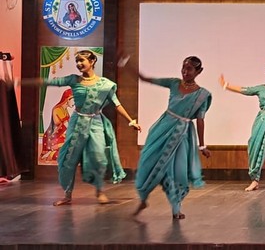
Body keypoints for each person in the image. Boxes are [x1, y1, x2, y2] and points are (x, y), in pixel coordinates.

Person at [29, 50, 141, 206]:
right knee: (69, 159)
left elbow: (116, 104)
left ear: (92, 61)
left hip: (96, 122)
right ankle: (67, 194)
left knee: (99, 157)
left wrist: (131, 121)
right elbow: (50, 82)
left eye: (82, 60)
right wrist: (23, 82)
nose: (79, 64)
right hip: (77, 123)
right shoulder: (74, 80)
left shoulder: (105, 85)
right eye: (77, 61)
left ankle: (100, 191)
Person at [131, 56, 212, 219]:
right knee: (148, 163)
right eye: (183, 67)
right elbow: (145, 78)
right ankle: (143, 198)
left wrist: (202, 146)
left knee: (177, 171)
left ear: (199, 71)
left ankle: (176, 208)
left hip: (182, 135)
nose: (185, 72)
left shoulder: (202, 95)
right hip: (162, 129)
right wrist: (126, 63)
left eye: (189, 69)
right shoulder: (174, 83)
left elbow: (200, 120)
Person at [40, 89, 74, 162]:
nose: (75, 102)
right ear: (68, 99)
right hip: (53, 137)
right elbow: (60, 125)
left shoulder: (65, 110)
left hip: (62, 136)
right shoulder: (56, 109)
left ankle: (53, 154)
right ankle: (50, 154)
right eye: (74, 100)